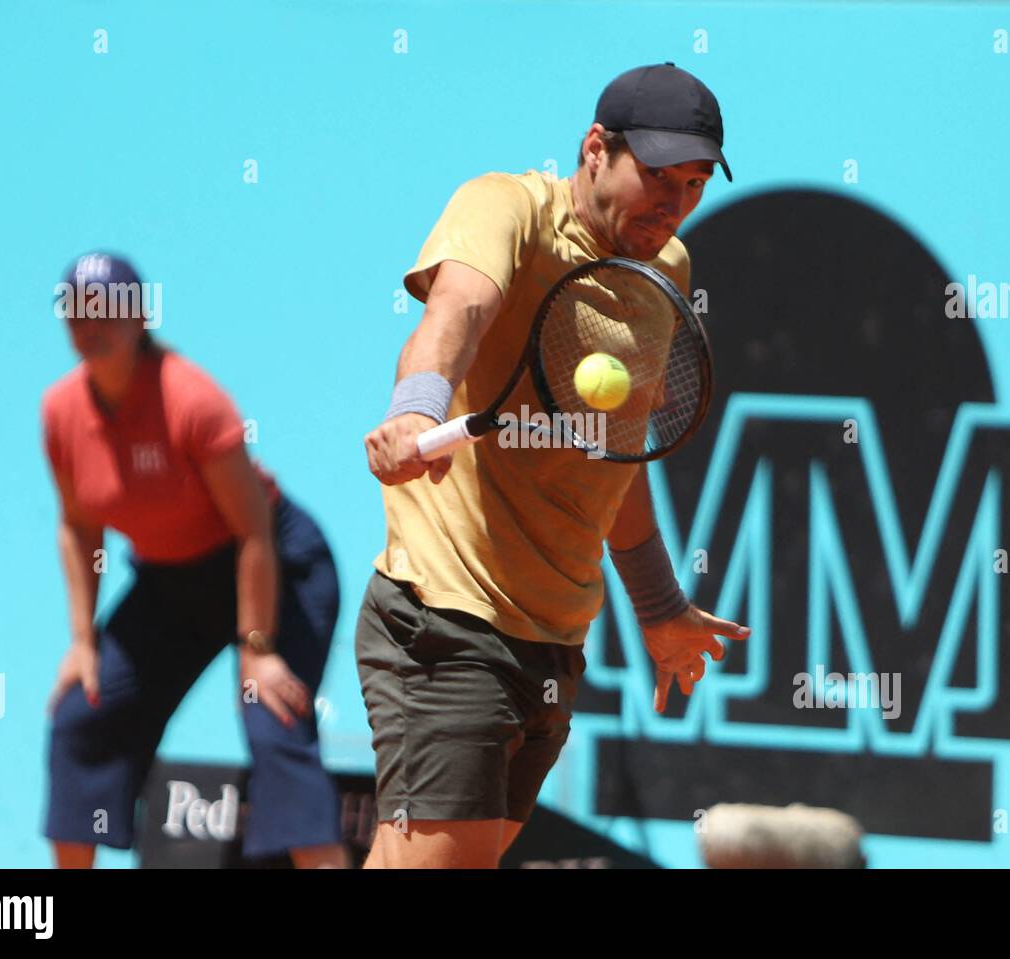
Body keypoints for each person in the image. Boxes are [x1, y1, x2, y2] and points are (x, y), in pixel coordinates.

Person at [359, 63, 749, 869]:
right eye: (657, 176)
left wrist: (660, 605)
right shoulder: (506, 207)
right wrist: (418, 408)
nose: (674, 203)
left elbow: (619, 458)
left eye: (694, 182)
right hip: (445, 615)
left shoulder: (666, 269)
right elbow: (458, 309)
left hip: (551, 642)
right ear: (595, 149)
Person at [42, 253, 348, 868]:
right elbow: (79, 528)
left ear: (140, 318)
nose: (90, 323)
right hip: (170, 584)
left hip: (272, 567)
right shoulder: (61, 411)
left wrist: (257, 651)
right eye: (77, 310)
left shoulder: (191, 399)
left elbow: (254, 530)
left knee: (274, 721)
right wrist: (81, 641)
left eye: (107, 309)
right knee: (83, 717)